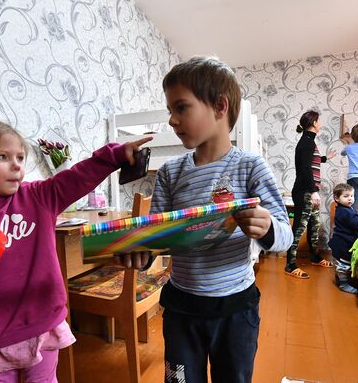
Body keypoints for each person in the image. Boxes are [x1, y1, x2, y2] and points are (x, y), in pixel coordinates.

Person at [0, 119, 151, 382]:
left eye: (20, 157)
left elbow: (77, 178)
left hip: (44, 324)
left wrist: (114, 156)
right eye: (3, 157)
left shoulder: (38, 196)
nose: (17, 165)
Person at [120, 57, 292, 383]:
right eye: (170, 110)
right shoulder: (171, 172)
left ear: (219, 106)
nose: (172, 120)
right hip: (181, 308)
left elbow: (285, 234)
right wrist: (140, 252)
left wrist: (268, 227)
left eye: (181, 108)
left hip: (236, 310)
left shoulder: (250, 167)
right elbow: (157, 237)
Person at [285, 110, 336, 279]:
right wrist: (313, 191)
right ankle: (290, 264)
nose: (320, 123)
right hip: (304, 192)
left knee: (314, 225)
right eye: (319, 121)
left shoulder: (308, 142)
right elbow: (305, 168)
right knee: (299, 228)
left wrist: (324, 158)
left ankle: (315, 257)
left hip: (309, 191)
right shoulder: (307, 142)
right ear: (314, 122)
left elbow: (308, 161)